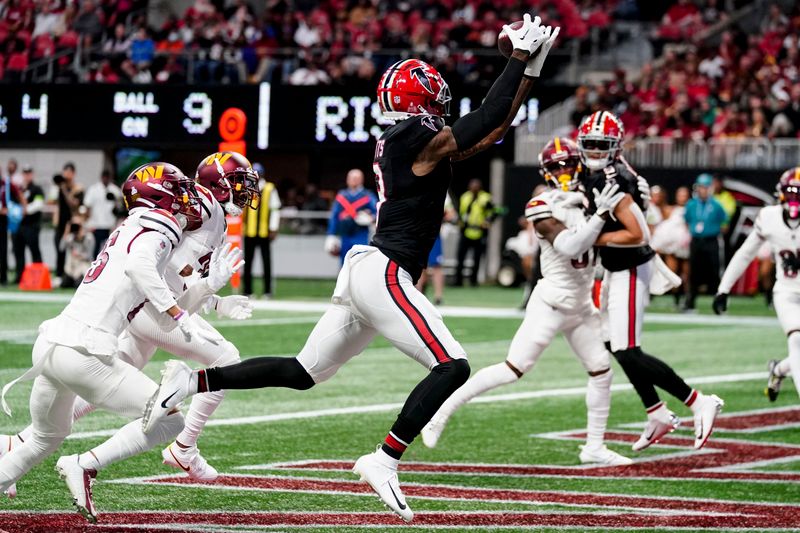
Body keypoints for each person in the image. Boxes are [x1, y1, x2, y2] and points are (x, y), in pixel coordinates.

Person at [143, 15, 559, 522]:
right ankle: (384, 459)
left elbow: (491, 128)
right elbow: (484, 120)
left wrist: (530, 66)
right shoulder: (412, 135)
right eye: (435, 102)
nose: (442, 111)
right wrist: (518, 59)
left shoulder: (410, 139)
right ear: (419, 103)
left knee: (302, 373)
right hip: (384, 271)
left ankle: (191, 383)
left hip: (370, 271)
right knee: (453, 366)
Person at [1, 155, 255, 491]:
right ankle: (184, 446)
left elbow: (176, 269)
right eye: (238, 183)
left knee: (106, 378)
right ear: (218, 184)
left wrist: (215, 299)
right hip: (151, 305)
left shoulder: (209, 215)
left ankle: (18, 442)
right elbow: (159, 265)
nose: (245, 192)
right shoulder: (204, 205)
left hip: (146, 302)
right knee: (226, 360)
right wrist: (188, 303)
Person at [422, 137, 631, 467]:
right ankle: (441, 411)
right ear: (546, 172)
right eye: (556, 166)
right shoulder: (542, 204)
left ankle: (594, 446)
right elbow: (570, 246)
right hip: (551, 304)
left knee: (602, 371)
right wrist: (602, 213)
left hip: (580, 306)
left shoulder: (590, 198)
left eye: (567, 164)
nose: (563, 171)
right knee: (512, 370)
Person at [577, 110, 723, 452]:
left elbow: (638, 234)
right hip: (615, 268)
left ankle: (699, 401)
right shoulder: (604, 173)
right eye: (591, 145)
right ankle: (656, 412)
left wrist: (587, 237)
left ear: (615, 148)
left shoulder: (616, 179)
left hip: (630, 266)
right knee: (615, 345)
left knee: (628, 348)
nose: (596, 152)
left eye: (603, 146)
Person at [713, 168, 800, 403]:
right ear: (781, 195)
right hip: (788, 292)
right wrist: (724, 288)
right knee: (797, 340)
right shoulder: (769, 218)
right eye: (791, 193)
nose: (795, 200)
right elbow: (745, 253)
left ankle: (778, 370)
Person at [684, 173, 729, 311]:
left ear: (710, 188)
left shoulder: (716, 205)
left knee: (715, 271)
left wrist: (713, 230)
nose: (702, 190)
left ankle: (719, 301)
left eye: (705, 187)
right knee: (693, 272)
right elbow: (686, 221)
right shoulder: (691, 204)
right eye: (700, 187)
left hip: (711, 241)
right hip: (696, 241)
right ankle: (690, 302)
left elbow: (725, 223)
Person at [241, 161, 281, 298]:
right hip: (249, 231)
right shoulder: (247, 188)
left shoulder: (269, 188)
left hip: (264, 231)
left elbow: (275, 209)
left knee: (266, 262)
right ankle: (247, 290)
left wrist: (273, 228)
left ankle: (267, 291)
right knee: (247, 262)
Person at [324, 169, 377, 265]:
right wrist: (331, 235)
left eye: (356, 178)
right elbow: (334, 216)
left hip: (361, 234)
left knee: (360, 262)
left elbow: (377, 212)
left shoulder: (367, 196)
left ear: (361, 180)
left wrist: (371, 218)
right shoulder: (341, 196)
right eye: (351, 178)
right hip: (345, 234)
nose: (353, 180)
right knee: (344, 263)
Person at [651, 186, 692, 308]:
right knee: (671, 272)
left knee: (686, 273)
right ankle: (676, 299)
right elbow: (663, 225)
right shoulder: (669, 209)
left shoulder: (691, 208)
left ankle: (686, 299)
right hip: (671, 246)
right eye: (680, 195)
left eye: (684, 195)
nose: (682, 198)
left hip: (686, 245)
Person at [416, 195, 456, 306]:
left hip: (433, 233)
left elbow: (451, 214)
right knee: (419, 265)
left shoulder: (441, 189)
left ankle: (438, 296)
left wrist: (439, 216)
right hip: (417, 231)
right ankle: (418, 295)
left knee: (436, 265)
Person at [454, 178, 495, 286]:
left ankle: (473, 281)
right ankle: (458, 280)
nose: (474, 188)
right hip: (466, 230)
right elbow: (461, 212)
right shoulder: (465, 197)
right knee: (460, 256)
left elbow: (493, 212)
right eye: (472, 186)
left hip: (479, 232)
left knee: (477, 258)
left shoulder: (485, 197)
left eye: (476, 186)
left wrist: (487, 221)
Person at [49, 162, 84, 282]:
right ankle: (59, 275)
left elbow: (73, 204)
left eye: (69, 172)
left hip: (72, 224)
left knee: (72, 251)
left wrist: (64, 189)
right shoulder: (59, 187)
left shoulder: (78, 188)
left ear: (73, 173)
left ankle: (71, 275)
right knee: (59, 248)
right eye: (65, 172)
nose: (67, 175)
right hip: (60, 223)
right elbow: (52, 202)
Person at [12, 164, 44, 283]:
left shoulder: (37, 189)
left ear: (32, 174)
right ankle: (19, 277)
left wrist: (25, 209)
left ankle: (39, 278)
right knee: (18, 251)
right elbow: (12, 205)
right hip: (18, 225)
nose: (27, 175)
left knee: (34, 251)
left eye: (29, 173)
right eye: (25, 173)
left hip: (32, 225)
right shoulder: (18, 189)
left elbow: (38, 205)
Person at [82, 169, 124, 258]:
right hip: (96, 224)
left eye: (107, 177)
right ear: (101, 177)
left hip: (110, 225)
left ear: (110, 178)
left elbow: (120, 207)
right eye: (104, 177)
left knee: (108, 249)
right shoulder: (93, 189)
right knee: (95, 249)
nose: (105, 179)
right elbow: (87, 206)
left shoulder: (115, 190)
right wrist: (87, 222)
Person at [1, 172, 25, 286]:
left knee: (3, 249)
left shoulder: (6, 184)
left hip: (3, 219)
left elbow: (19, 196)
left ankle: (3, 277)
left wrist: (24, 209)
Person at [58, 216, 96, 288]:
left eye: (78, 225)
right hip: (72, 267)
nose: (76, 228)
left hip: (83, 267)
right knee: (64, 284)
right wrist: (66, 232)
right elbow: (61, 248)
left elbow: (90, 256)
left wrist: (82, 238)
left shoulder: (89, 237)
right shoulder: (70, 237)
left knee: (78, 284)